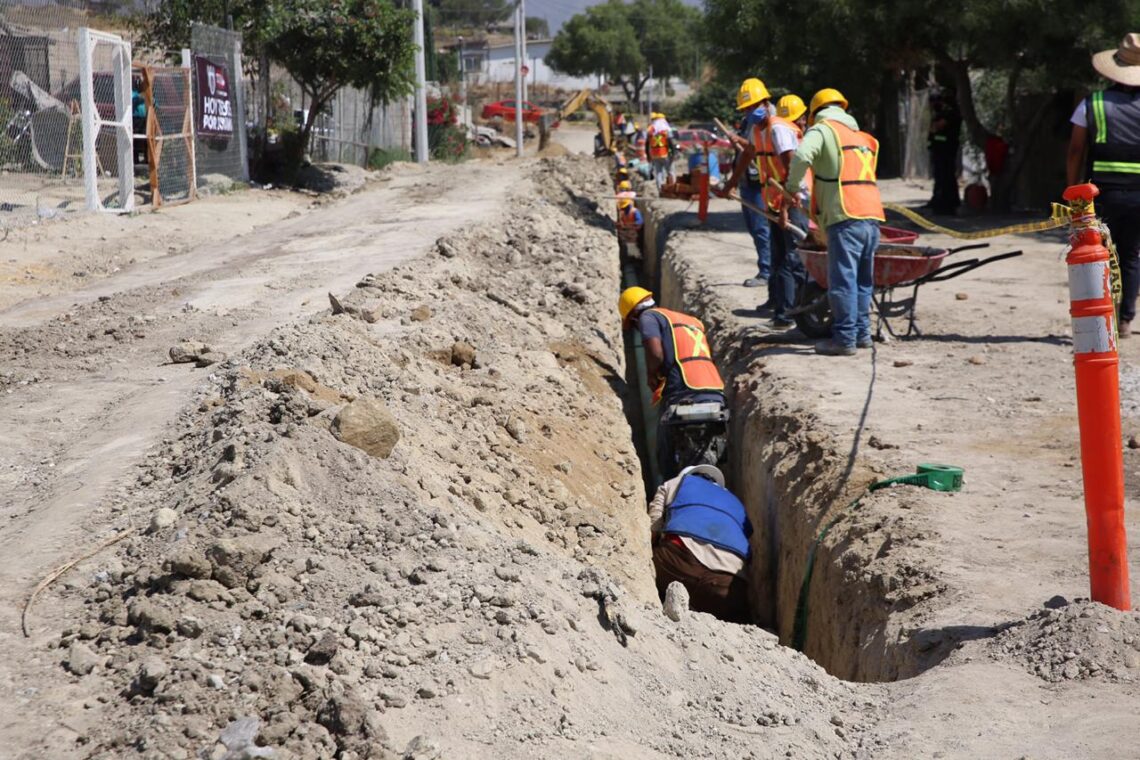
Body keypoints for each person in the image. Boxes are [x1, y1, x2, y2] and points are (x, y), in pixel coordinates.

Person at [786, 88, 885, 356]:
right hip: (872, 215)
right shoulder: (860, 136)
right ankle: (862, 335)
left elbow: (802, 156)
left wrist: (792, 187)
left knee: (842, 280)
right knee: (863, 281)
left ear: (815, 111)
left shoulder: (823, 130)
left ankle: (844, 339)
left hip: (845, 215)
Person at [1066, 33, 1140, 338]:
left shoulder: (1092, 104)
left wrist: (1072, 191)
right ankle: (1126, 320)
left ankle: (1102, 316)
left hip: (1101, 195)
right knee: (1132, 253)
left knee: (1099, 253)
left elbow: (1075, 151)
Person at [618, 286, 726, 479]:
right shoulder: (690, 321)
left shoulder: (648, 317)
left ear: (634, 314)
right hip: (714, 391)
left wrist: (652, 375)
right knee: (710, 447)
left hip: (684, 390)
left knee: (666, 455)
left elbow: (656, 354)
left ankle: (669, 494)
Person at [647, 464, 752, 622]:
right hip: (726, 587)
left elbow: (654, 523)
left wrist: (650, 550)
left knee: (648, 564)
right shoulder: (737, 504)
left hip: (678, 565)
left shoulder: (677, 483)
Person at [753, 93, 811, 328]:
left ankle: (788, 313)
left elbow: (792, 170)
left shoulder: (779, 130)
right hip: (782, 202)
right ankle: (784, 313)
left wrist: (787, 204)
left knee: (792, 259)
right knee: (784, 258)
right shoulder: (773, 130)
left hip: (790, 203)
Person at [720, 78, 773, 293]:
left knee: (762, 228)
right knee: (755, 227)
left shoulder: (771, 121)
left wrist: (731, 183)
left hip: (763, 180)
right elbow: (749, 146)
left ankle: (767, 271)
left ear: (763, 101)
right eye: (746, 108)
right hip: (749, 180)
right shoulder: (749, 121)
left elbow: (751, 152)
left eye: (752, 106)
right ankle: (768, 269)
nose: (749, 111)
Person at [927, 90, 961, 215]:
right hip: (939, 150)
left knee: (947, 177)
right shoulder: (939, 114)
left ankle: (948, 204)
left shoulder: (950, 113)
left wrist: (935, 128)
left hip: (947, 150)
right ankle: (938, 202)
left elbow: (937, 127)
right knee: (940, 177)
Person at [647, 112, 674, 190]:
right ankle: (672, 188)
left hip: (655, 155)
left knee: (658, 173)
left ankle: (660, 189)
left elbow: (648, 144)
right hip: (665, 154)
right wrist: (673, 154)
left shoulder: (652, 130)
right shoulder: (665, 130)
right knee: (670, 171)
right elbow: (671, 143)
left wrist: (649, 155)